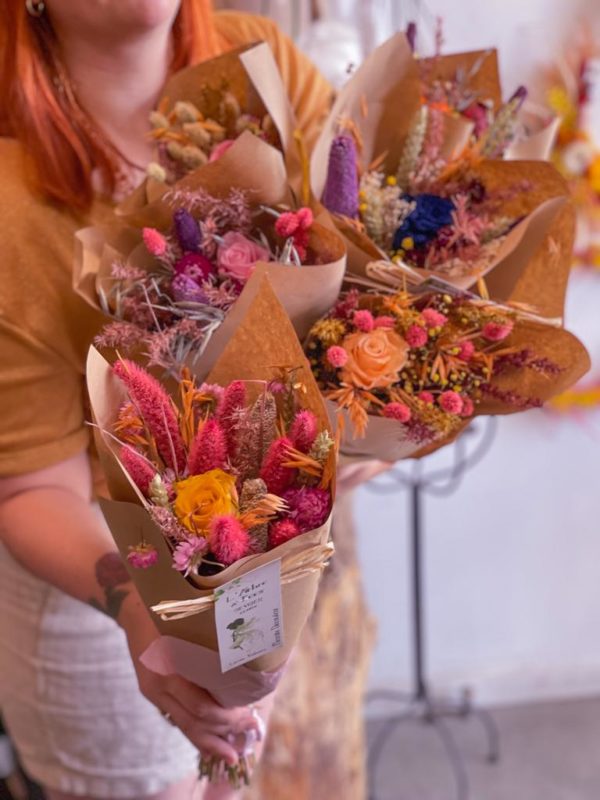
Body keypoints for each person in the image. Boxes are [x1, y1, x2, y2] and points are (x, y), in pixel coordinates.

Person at [0, 3, 335, 799]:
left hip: (273, 567)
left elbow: (357, 315)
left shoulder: (262, 63)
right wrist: (142, 607)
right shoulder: (14, 198)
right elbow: (30, 488)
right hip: (98, 601)